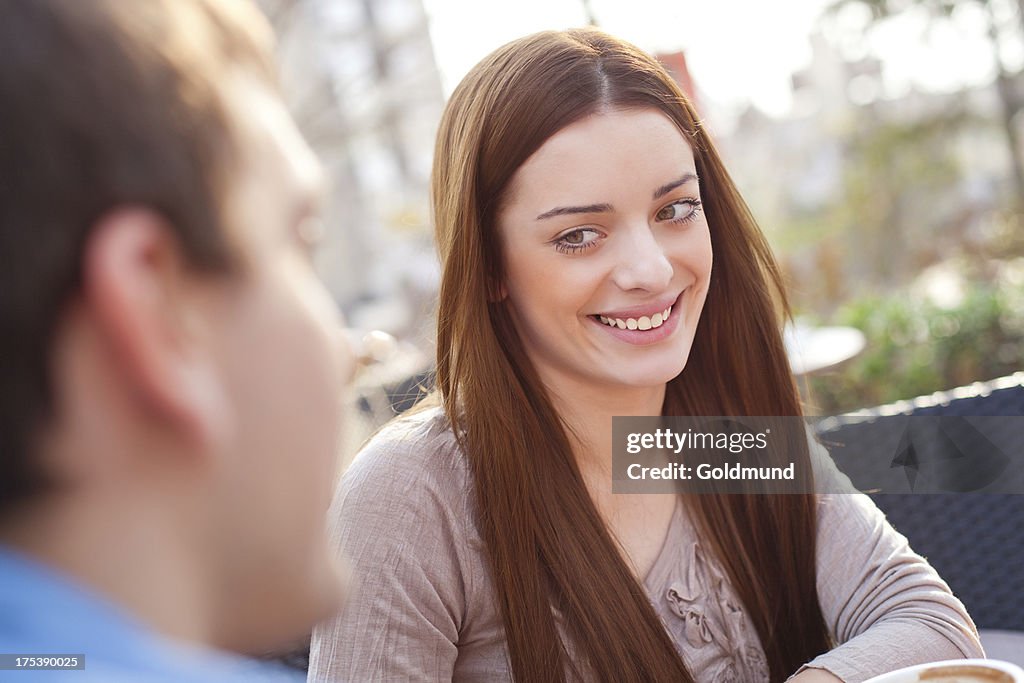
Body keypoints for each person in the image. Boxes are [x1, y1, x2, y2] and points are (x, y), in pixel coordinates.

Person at [308, 28, 983, 683]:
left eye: (675, 209)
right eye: (579, 235)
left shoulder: (723, 437)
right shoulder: (411, 496)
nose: (651, 269)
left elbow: (930, 622)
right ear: (489, 266)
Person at [0, 1, 352, 680]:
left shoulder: (623, 442)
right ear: (158, 314)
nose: (344, 346)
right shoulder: (416, 486)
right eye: (300, 238)